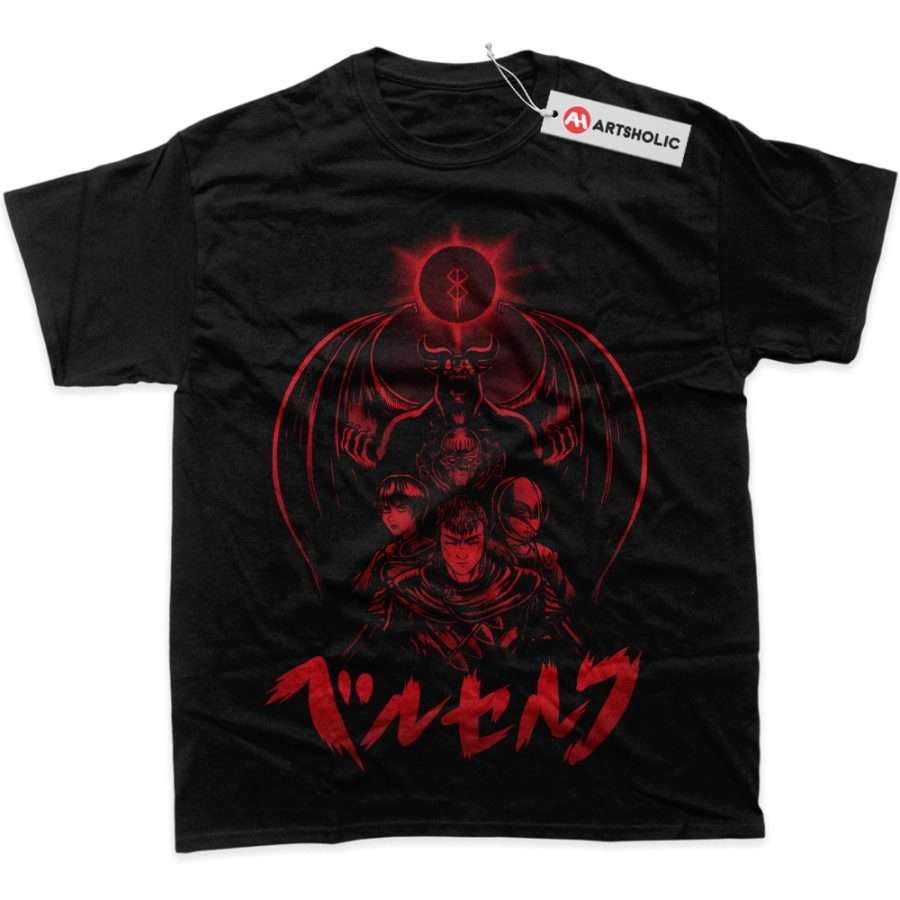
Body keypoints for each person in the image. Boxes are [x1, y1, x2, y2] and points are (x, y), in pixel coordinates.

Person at [373, 495, 576, 671]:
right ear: (439, 540)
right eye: (452, 541)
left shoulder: (525, 585)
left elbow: (564, 644)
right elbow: (382, 650)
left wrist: (523, 637)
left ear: (485, 540)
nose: (462, 554)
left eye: (471, 541)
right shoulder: (408, 588)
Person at [490, 476, 575, 605]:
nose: (530, 522)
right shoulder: (493, 551)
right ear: (501, 511)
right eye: (521, 512)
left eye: (535, 513)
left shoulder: (542, 554)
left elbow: (569, 596)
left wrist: (552, 569)